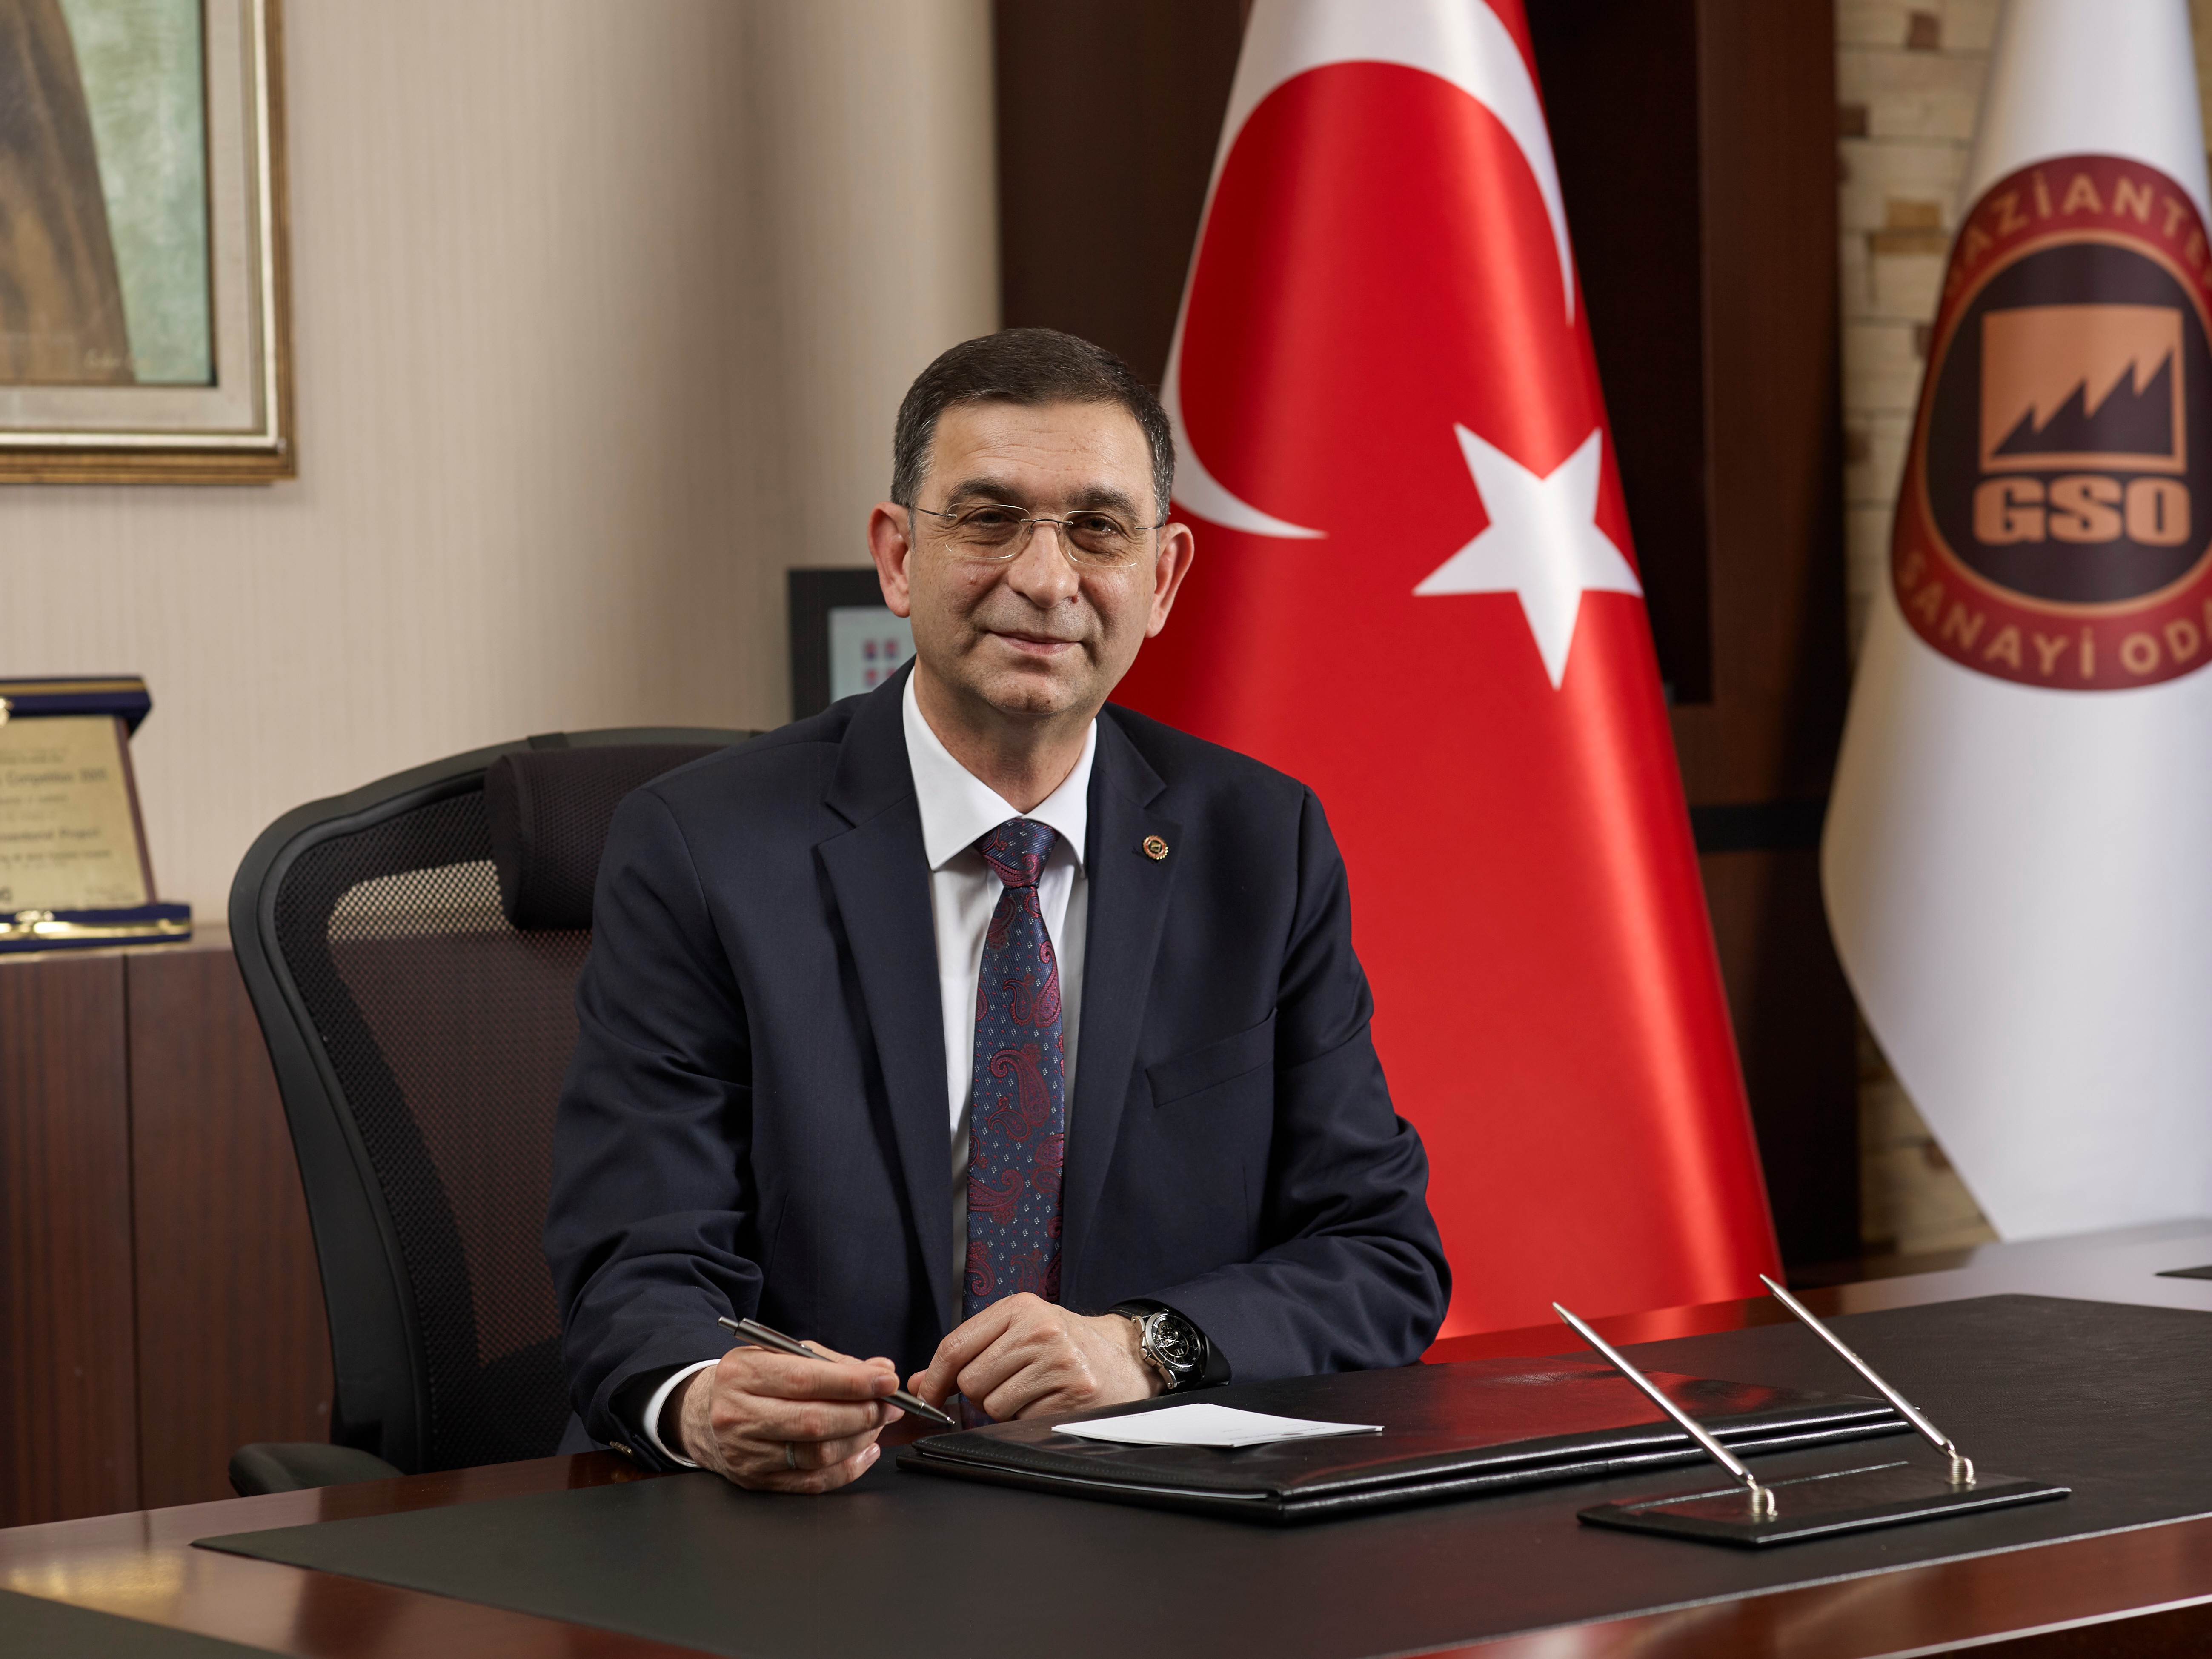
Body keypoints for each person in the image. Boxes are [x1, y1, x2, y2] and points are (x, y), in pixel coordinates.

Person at [544, 328, 1447, 1493]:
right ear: (897, 558)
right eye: (988, 519)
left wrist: (1142, 1347)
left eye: (1098, 530)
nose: (1047, 579)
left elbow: (1379, 1254)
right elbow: (637, 1263)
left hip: (1151, 1521)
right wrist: (704, 1398)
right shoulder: (701, 847)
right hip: (812, 1512)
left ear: (1163, 579)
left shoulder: (1262, 846)